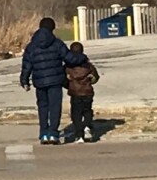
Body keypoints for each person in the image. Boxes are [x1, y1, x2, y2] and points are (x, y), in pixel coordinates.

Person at [19, 17, 82, 145]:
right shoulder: (57, 43)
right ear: (52, 28)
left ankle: (43, 133)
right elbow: (70, 58)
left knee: (42, 107)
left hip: (39, 81)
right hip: (55, 80)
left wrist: (24, 80)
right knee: (54, 106)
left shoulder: (31, 46)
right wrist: (82, 57)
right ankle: (53, 133)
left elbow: (27, 65)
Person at [64, 41, 100, 143]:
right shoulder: (88, 66)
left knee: (76, 114)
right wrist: (90, 81)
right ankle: (87, 126)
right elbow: (96, 77)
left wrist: (69, 85)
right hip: (87, 92)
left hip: (75, 93)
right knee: (87, 110)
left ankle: (79, 135)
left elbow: (64, 80)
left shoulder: (68, 67)